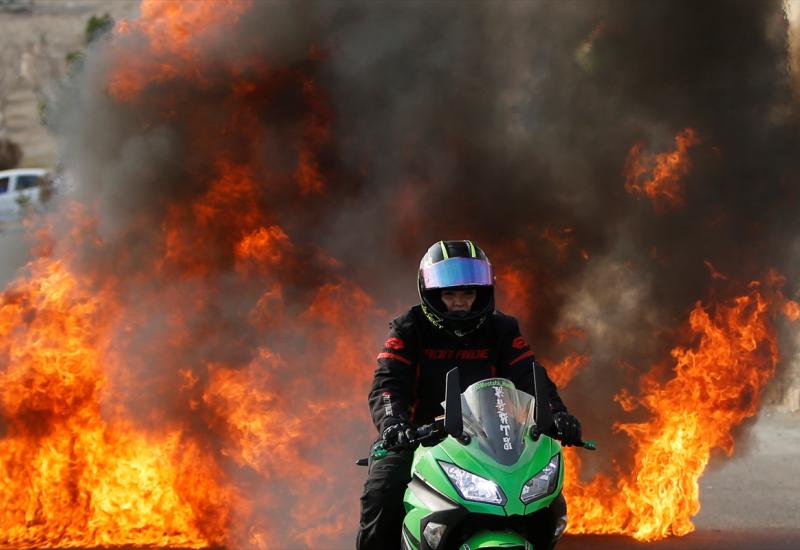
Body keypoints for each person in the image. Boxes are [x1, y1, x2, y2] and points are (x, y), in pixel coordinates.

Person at [356, 240, 582, 550]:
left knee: (546, 498)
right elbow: (387, 384)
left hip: (494, 441)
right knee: (382, 490)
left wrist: (556, 414)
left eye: (468, 293)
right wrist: (394, 424)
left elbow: (530, 375)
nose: (460, 302)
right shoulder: (408, 329)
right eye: (450, 294)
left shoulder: (502, 329)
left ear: (482, 293)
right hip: (421, 440)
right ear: (432, 294)